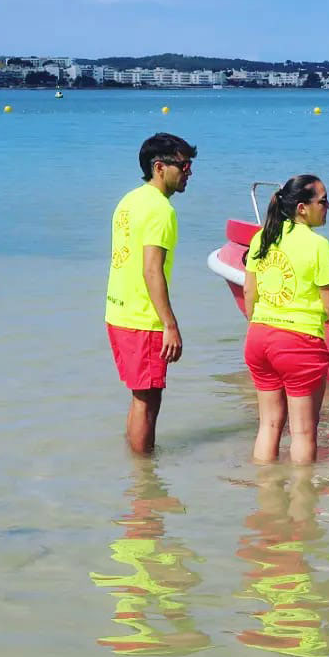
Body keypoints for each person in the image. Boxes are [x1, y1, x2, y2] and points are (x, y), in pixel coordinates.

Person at [243, 174, 329, 465]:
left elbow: (249, 290)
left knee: (268, 426)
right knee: (304, 432)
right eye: (323, 201)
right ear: (302, 208)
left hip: (259, 337)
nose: (328, 206)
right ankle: (303, 505)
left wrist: (256, 326)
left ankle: (268, 499)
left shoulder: (262, 237)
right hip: (298, 343)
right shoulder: (317, 245)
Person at [106, 133, 197, 454]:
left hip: (118, 312)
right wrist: (170, 325)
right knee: (148, 399)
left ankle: (136, 469)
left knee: (141, 396)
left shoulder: (129, 200)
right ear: (160, 167)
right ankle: (144, 485)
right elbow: (151, 269)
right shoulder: (161, 210)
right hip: (142, 318)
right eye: (184, 165)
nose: (189, 172)